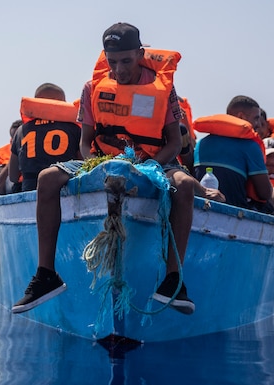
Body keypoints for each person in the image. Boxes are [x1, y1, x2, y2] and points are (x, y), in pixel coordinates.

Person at [11, 22, 223, 315]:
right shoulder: (92, 88)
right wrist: (95, 165)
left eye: (126, 60)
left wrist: (148, 166)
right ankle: (46, 274)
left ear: (139, 53)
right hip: (101, 160)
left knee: (185, 185)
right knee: (47, 178)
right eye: (112, 62)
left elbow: (174, 143)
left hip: (155, 160)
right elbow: (85, 143)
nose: (120, 69)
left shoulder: (163, 89)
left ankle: (174, 280)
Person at [194, 95, 274, 214]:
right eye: (256, 118)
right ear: (241, 116)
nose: (258, 124)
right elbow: (265, 194)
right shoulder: (251, 146)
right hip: (235, 207)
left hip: (201, 204)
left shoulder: (202, 143)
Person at [0, 83, 82, 194]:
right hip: (64, 189)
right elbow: (82, 164)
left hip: (30, 190)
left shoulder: (21, 130)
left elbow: (13, 177)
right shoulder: (75, 129)